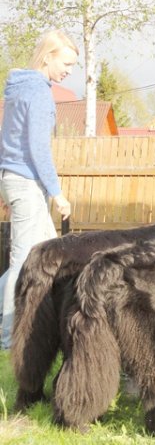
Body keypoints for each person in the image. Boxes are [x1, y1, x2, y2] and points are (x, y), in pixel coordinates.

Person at [0, 29, 78, 349]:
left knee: (43, 253)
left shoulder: (20, 89)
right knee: (25, 261)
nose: (69, 71)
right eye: (66, 63)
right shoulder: (38, 93)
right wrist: (57, 192)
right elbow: (38, 148)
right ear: (48, 56)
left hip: (15, 178)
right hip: (27, 181)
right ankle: (6, 340)